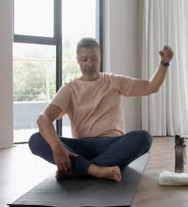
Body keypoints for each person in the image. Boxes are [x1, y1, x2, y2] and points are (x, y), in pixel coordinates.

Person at [29, 38, 174, 182]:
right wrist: (57, 147)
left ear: (100, 59)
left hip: (111, 145)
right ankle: (96, 170)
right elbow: (44, 118)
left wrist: (164, 63)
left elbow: (150, 86)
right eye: (85, 59)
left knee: (144, 138)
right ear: (78, 60)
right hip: (81, 148)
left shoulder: (113, 81)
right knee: (36, 140)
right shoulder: (69, 89)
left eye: (94, 59)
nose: (89, 64)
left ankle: (78, 170)